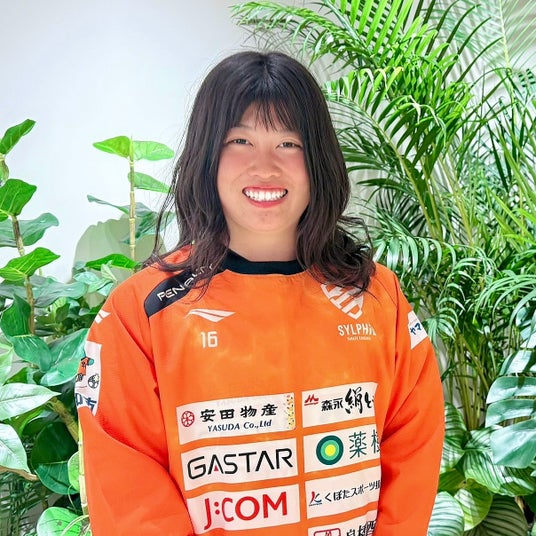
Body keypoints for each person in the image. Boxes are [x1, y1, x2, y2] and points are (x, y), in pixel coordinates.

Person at [75, 50, 444, 536]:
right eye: (240, 140)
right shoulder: (140, 311)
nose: (265, 167)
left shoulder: (378, 296)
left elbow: (412, 452)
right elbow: (128, 490)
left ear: (318, 160)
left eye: (289, 143)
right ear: (208, 155)